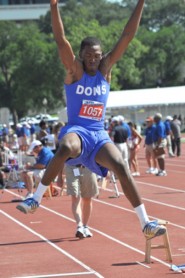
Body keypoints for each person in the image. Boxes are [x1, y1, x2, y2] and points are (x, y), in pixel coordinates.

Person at [16, 0, 166, 240]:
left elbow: (127, 35)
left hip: (98, 135)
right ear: (82, 57)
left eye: (96, 55)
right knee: (65, 146)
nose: (93, 60)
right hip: (77, 130)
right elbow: (60, 40)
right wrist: (54, 6)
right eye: (88, 56)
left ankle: (145, 222)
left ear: (101, 55)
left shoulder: (106, 69)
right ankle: (35, 199)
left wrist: (141, 2)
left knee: (120, 165)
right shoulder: (74, 70)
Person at [59, 164, 99, 239]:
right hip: (72, 168)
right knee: (75, 196)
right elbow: (60, 157)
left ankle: (85, 226)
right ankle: (79, 225)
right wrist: (59, 176)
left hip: (88, 168)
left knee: (87, 198)